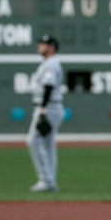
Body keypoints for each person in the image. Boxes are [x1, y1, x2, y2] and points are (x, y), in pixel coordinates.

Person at [27, 35, 64, 192]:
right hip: (51, 106)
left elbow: (48, 86)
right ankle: (50, 181)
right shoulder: (49, 64)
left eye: (43, 44)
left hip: (48, 107)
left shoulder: (51, 64)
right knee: (48, 145)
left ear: (51, 47)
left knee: (33, 141)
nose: (40, 46)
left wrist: (42, 109)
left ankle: (46, 180)